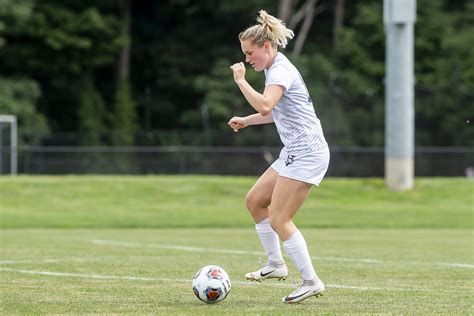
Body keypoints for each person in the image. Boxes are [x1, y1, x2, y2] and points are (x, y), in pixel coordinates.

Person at [228, 10, 330, 304]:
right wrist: (246, 121)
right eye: (245, 55)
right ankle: (275, 265)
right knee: (255, 201)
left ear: (267, 47)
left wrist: (241, 81)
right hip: (294, 152)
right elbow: (274, 112)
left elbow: (265, 105)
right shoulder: (275, 70)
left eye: (250, 53)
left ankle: (311, 281)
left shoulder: (280, 70)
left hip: (308, 153)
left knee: (279, 217)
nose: (247, 60)